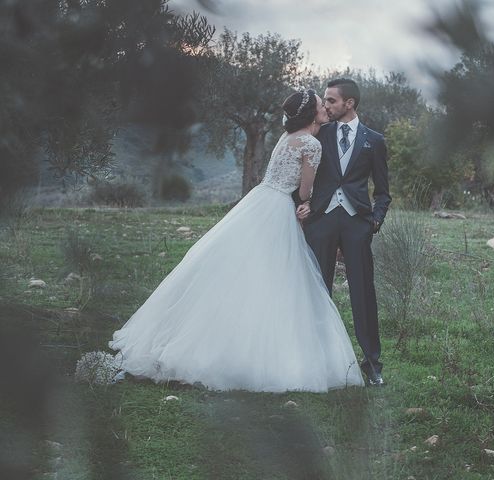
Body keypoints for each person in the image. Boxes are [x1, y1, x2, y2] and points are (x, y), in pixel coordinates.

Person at [109, 89, 364, 392]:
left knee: (240, 267)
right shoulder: (311, 143)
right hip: (280, 206)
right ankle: (263, 349)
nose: (325, 109)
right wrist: (307, 202)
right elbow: (305, 191)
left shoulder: (287, 138)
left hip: (259, 201)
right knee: (277, 274)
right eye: (322, 106)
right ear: (311, 114)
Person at [295, 79, 391, 386]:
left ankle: (372, 364)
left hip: (356, 225)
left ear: (349, 103)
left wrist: (374, 221)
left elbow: (383, 192)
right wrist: (303, 206)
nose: (326, 106)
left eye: (331, 101)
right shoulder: (319, 133)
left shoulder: (374, 140)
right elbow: (298, 174)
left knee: (363, 293)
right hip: (321, 222)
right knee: (317, 290)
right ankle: (315, 359)